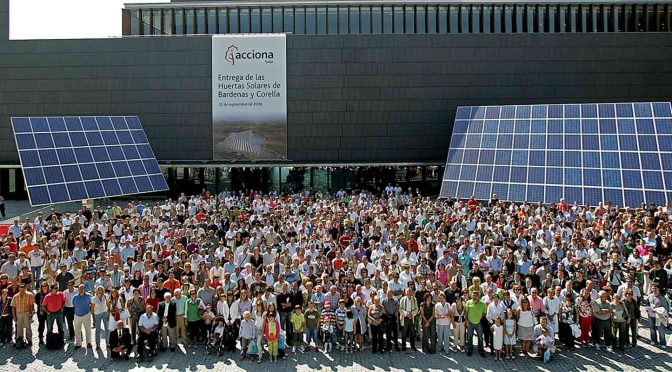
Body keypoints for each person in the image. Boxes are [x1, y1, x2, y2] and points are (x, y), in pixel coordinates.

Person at [465, 290, 487, 357]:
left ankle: (481, 351)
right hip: (470, 323)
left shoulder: (482, 304)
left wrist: (480, 318)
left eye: (476, 295)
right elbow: (466, 312)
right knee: (469, 337)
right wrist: (466, 320)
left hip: (479, 323)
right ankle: (469, 351)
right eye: (473, 295)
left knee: (480, 337)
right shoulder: (468, 302)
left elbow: (484, 313)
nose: (474, 296)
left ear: (478, 296)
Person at [72, 284, 92, 350]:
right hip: (77, 315)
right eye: (79, 289)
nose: (81, 290)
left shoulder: (89, 296)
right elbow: (74, 305)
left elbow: (91, 304)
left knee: (88, 329)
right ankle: (78, 343)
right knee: (77, 330)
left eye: (82, 288)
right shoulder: (75, 297)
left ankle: (89, 343)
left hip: (86, 315)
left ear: (84, 289)